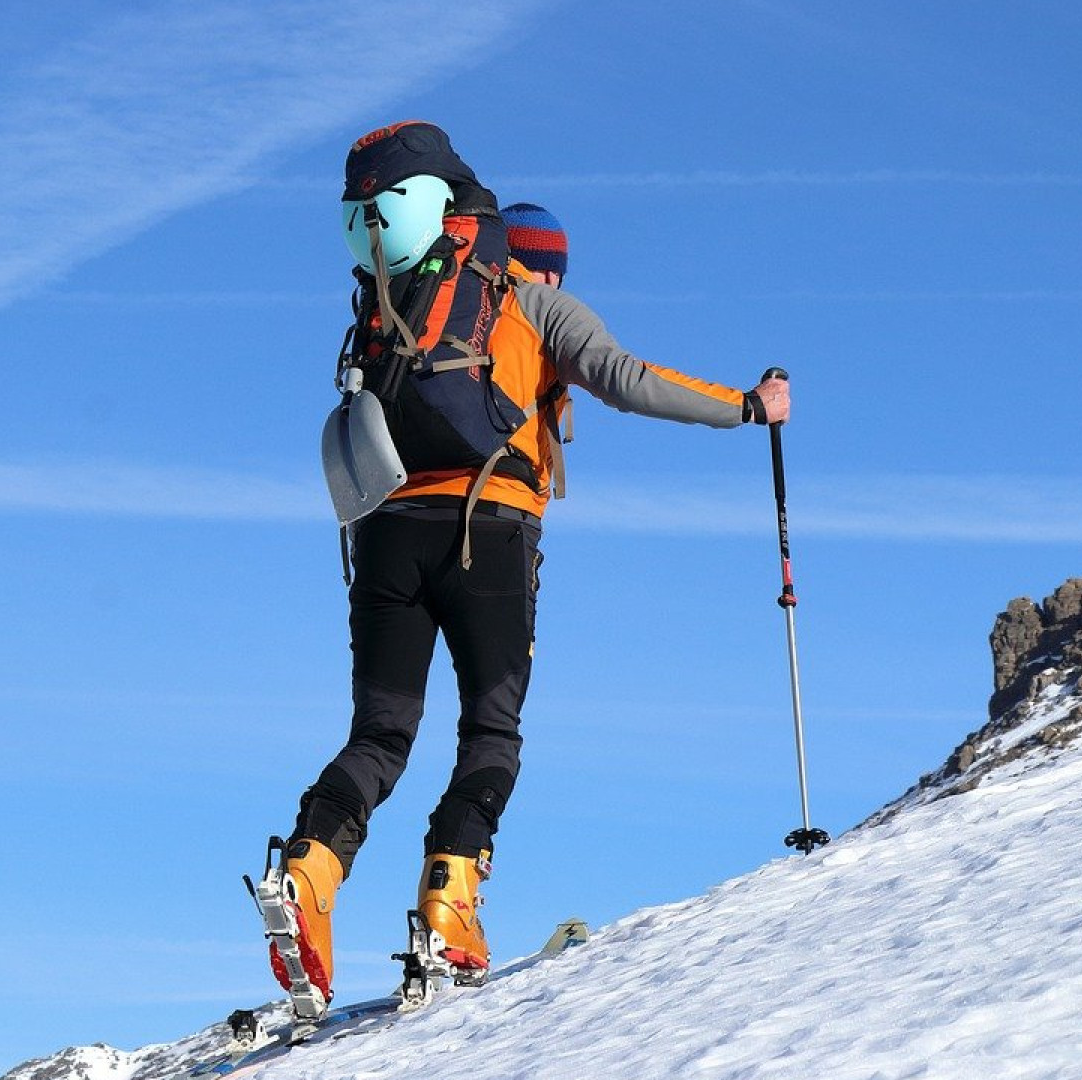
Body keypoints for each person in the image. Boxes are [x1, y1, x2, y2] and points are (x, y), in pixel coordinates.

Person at [271, 121, 790, 1009]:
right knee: (491, 732)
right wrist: (747, 406)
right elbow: (627, 378)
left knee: (380, 736)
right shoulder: (534, 303)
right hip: (490, 535)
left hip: (387, 534)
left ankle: (309, 876)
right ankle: (448, 905)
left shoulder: (400, 299)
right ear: (544, 259)